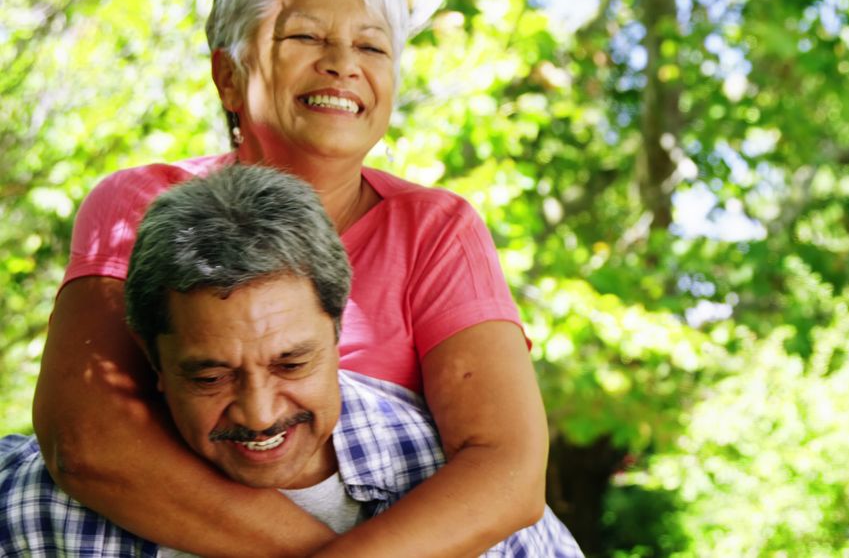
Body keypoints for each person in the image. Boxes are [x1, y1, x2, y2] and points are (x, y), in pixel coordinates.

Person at [32, 0, 551, 555]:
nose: (343, 64)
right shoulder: (141, 204)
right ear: (227, 75)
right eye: (305, 37)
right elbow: (85, 442)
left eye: (372, 47)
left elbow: (507, 471)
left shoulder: (436, 228)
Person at [3, 166, 582, 557]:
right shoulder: (40, 508)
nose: (258, 414)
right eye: (210, 375)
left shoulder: (456, 492)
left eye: (291, 364)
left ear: (337, 333)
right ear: (153, 361)